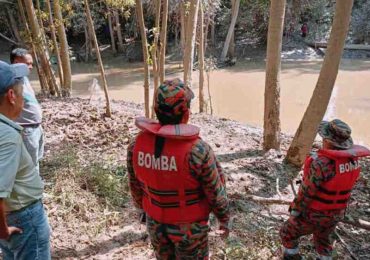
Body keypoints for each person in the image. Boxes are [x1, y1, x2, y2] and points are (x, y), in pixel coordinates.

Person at [127, 79, 230, 259]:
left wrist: (141, 209)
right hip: (189, 228)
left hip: (155, 223)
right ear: (186, 113)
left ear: (156, 110)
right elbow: (215, 192)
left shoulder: (136, 145)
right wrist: (224, 219)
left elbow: (135, 184)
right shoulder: (198, 150)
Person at [280, 119, 370, 260]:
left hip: (314, 215)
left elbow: (306, 192)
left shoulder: (321, 163)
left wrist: (295, 212)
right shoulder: (354, 161)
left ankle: (292, 257)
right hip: (336, 215)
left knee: (287, 232)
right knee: (323, 239)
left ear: (327, 139)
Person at [0, 61, 51, 259]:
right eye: (21, 91)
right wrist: (2, 230)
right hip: (22, 217)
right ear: (11, 96)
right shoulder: (7, 136)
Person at [10, 48, 44, 171]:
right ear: (16, 62)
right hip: (26, 128)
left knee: (36, 159)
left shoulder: (24, 78)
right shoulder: (11, 80)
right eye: (27, 64)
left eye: (31, 64)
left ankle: (37, 184)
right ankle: (33, 189)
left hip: (36, 126)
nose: (30, 67)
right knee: (30, 164)